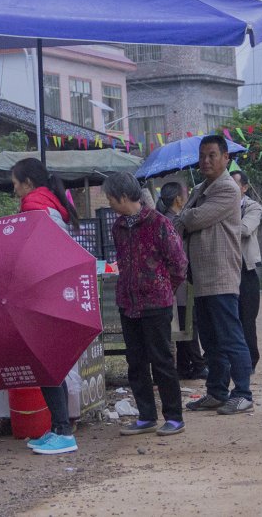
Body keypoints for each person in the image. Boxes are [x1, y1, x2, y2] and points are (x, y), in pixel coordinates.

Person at [103, 173, 188, 437]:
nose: (109, 203)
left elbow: (179, 264)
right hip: (128, 303)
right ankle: (146, 415)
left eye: (110, 198)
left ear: (124, 197)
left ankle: (174, 416)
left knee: (162, 360)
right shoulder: (118, 227)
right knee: (135, 361)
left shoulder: (158, 223)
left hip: (156, 304)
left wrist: (163, 288)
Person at [173, 135, 254, 415]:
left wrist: (185, 217)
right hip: (201, 276)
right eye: (202, 156)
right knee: (210, 340)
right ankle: (217, 392)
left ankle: (243, 393)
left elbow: (192, 219)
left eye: (212, 155)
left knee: (230, 336)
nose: (205, 161)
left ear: (225, 158)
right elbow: (181, 221)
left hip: (220, 274)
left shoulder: (228, 189)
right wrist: (185, 217)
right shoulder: (200, 188)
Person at [10, 157, 81, 455]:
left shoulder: (33, 206)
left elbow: (32, 252)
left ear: (27, 183)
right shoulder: (51, 205)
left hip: (41, 293)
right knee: (50, 364)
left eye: (15, 183)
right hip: (54, 291)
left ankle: (63, 432)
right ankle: (58, 427)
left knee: (46, 364)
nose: (13, 189)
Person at [157, 182, 206, 380]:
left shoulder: (166, 219)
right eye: (184, 194)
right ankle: (197, 364)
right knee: (188, 323)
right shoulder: (174, 222)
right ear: (178, 199)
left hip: (177, 281)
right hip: (179, 280)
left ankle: (185, 365)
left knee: (184, 323)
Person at [230, 167, 262, 372]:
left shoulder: (253, 208)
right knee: (230, 320)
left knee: (247, 318)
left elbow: (243, 230)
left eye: (235, 186)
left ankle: (251, 360)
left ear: (244, 188)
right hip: (227, 269)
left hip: (246, 269)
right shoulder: (221, 206)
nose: (231, 190)